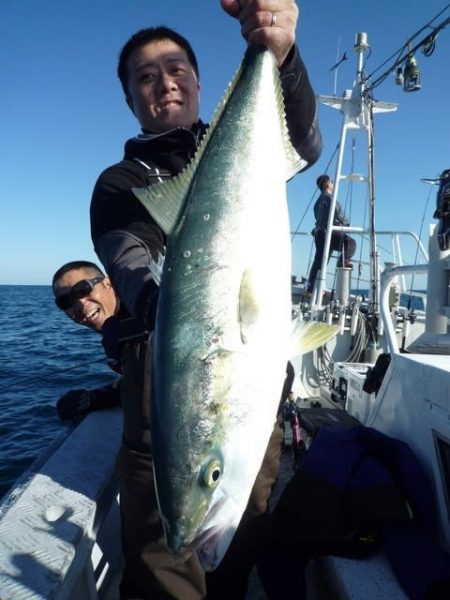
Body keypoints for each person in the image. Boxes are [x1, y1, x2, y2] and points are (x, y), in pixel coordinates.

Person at [89, 2, 322, 598]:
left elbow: (305, 142)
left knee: (237, 558)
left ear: (196, 81)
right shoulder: (121, 185)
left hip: (254, 401)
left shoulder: (251, 149)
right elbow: (131, 268)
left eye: (175, 69)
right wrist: (186, 308)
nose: (162, 82)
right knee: (167, 568)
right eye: (145, 76)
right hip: (165, 406)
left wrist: (280, 54)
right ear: (129, 99)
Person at [53, 260, 122, 421]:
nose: (80, 305)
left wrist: (94, 399)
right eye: (66, 302)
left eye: (83, 290)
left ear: (108, 283)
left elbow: (152, 385)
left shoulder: (143, 319)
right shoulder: (115, 331)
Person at [306, 174, 356, 296]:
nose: (333, 183)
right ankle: (343, 261)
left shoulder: (317, 203)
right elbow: (340, 215)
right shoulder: (330, 199)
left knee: (319, 261)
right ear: (327, 184)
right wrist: (347, 224)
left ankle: (310, 289)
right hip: (330, 233)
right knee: (351, 243)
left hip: (319, 234)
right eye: (332, 181)